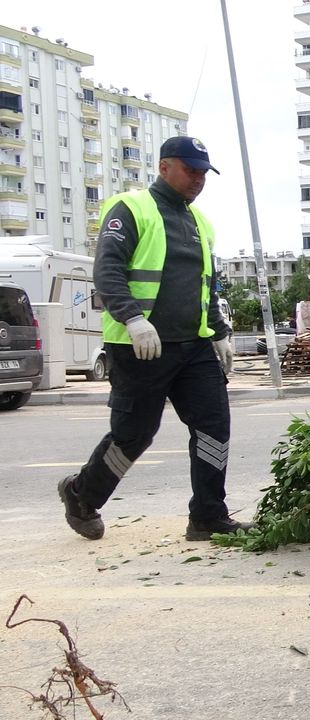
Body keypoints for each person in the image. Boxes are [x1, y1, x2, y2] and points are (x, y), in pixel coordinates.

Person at [57, 137, 251, 543]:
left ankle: (207, 516)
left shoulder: (202, 223)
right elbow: (107, 270)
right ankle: (81, 495)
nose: (198, 179)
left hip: (193, 347)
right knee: (133, 435)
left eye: (203, 172)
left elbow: (206, 286)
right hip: (139, 346)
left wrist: (219, 333)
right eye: (190, 169)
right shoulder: (130, 208)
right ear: (164, 167)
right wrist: (132, 319)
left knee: (214, 428)